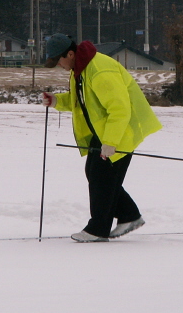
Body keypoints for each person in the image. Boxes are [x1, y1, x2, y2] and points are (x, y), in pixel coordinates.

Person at [42, 34, 162, 242]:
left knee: (101, 176)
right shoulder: (80, 70)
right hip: (106, 130)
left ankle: (98, 229)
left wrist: (111, 142)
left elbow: (120, 109)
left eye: (58, 60)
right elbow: (80, 101)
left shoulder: (99, 71)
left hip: (122, 130)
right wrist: (56, 101)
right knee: (97, 174)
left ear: (70, 54)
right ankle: (129, 215)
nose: (58, 66)